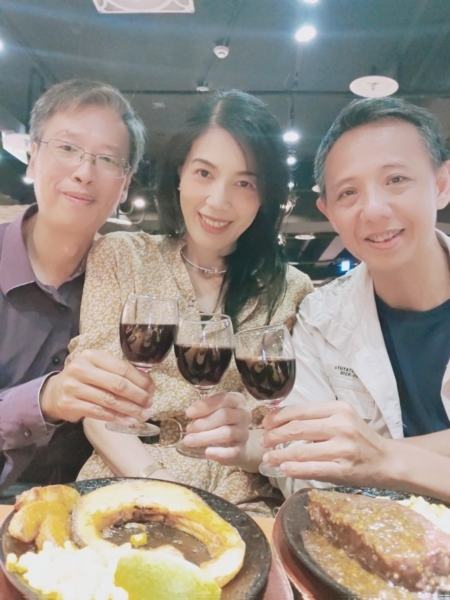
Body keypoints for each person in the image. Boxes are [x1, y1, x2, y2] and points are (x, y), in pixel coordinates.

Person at [67, 89, 314, 516]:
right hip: (128, 481)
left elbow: (281, 434)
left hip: (241, 498)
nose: (218, 201)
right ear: (180, 171)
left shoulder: (291, 290)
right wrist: (158, 483)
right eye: (204, 173)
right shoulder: (123, 256)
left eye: (244, 183)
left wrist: (244, 446)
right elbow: (99, 406)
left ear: (264, 194)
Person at [260, 96, 450, 501]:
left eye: (396, 179)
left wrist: (382, 457)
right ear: (328, 211)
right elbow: (301, 467)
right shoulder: (318, 318)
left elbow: (348, 462)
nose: (374, 210)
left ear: (441, 184)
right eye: (348, 192)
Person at [0, 79, 156, 494]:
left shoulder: (127, 285)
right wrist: (45, 399)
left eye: (106, 159)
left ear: (125, 184)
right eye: (67, 148)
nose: (84, 173)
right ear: (32, 157)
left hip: (92, 510)